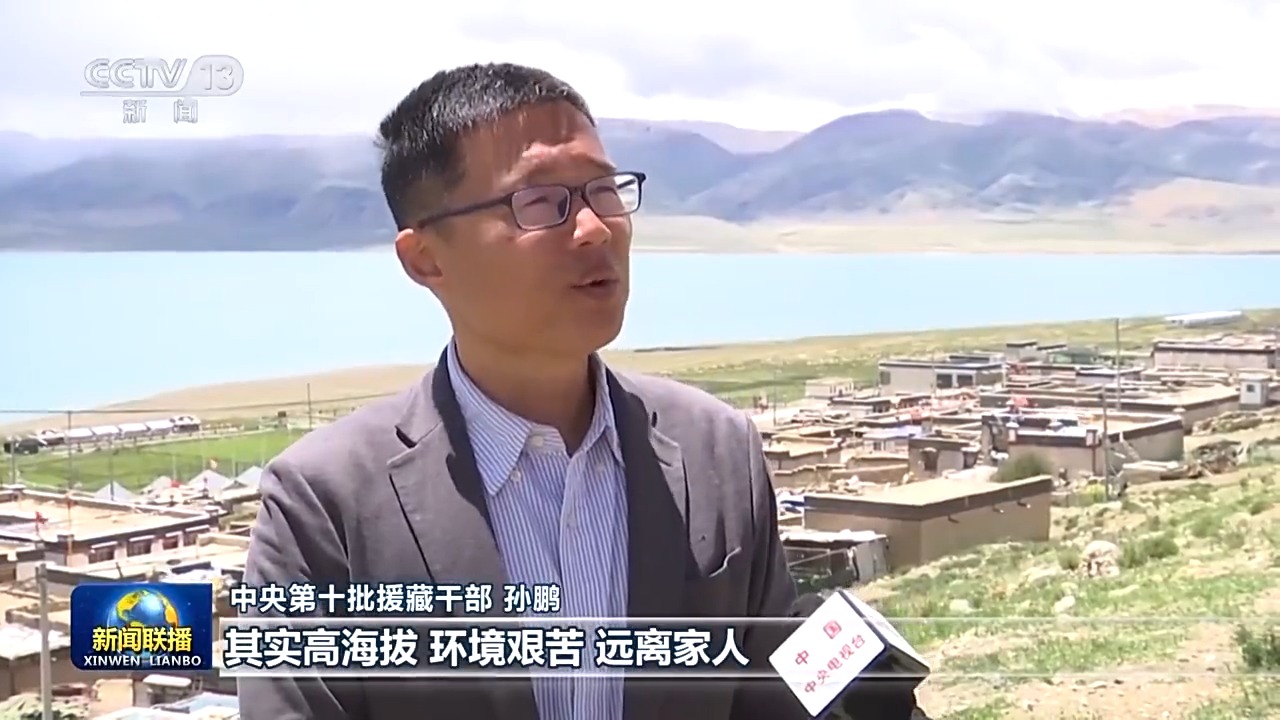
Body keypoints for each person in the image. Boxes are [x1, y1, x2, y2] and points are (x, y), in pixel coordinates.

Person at [238, 63, 803, 720]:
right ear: (426, 259)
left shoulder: (719, 450)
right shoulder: (324, 502)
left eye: (605, 190)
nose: (595, 228)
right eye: (540, 203)